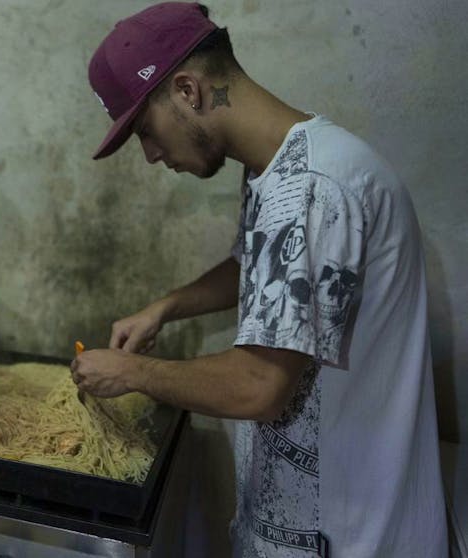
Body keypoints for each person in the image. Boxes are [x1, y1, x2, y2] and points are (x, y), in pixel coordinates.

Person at [71, 3, 447, 557]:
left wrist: (133, 373)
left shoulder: (318, 187)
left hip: (352, 538)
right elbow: (264, 270)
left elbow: (259, 386)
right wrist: (167, 307)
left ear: (188, 91)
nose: (150, 155)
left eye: (145, 132)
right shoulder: (280, 167)